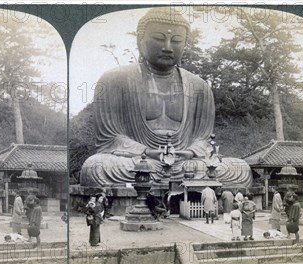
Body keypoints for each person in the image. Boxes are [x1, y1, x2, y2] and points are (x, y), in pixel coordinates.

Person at [78, 7, 252, 188]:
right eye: (159, 38)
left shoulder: (199, 86)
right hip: (139, 160)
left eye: (176, 40)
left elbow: (204, 139)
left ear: (185, 43)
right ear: (140, 39)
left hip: (185, 163)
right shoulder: (114, 80)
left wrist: (190, 153)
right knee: (96, 166)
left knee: (240, 168)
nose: (168, 47)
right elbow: (110, 138)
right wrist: (147, 151)